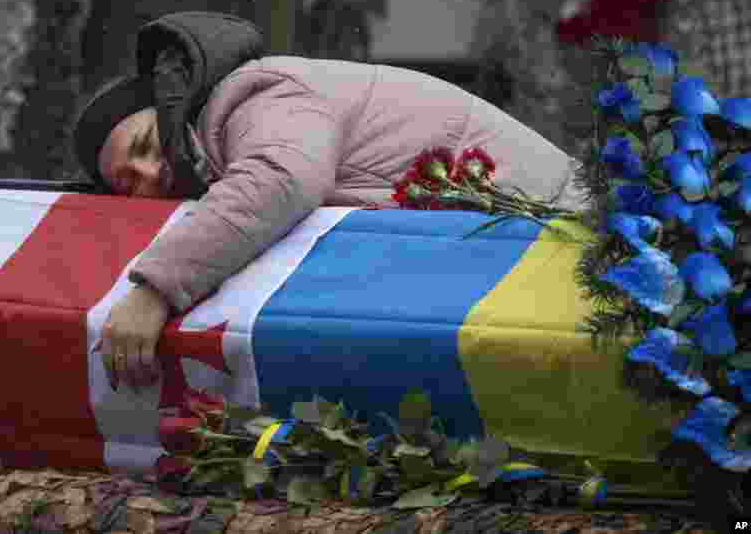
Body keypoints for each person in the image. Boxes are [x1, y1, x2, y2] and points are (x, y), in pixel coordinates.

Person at [73, 21, 585, 394]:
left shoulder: (256, 97)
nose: (147, 174)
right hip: (527, 252)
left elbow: (281, 180)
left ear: (169, 107)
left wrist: (153, 292)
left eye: (143, 146)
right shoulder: (222, 148)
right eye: (126, 181)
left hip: (565, 236)